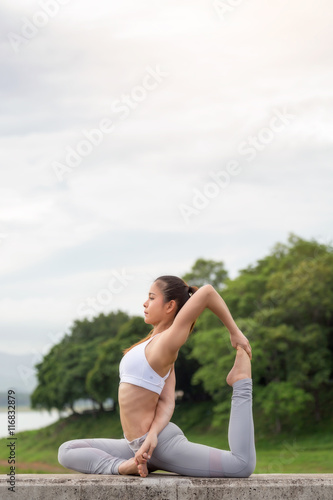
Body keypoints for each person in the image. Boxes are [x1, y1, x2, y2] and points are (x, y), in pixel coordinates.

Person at [58, 275, 256, 477]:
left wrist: (235, 332)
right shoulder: (149, 345)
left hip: (162, 445)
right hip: (138, 445)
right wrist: (150, 436)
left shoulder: (167, 343)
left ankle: (241, 381)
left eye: (152, 298)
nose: (145, 303)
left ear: (170, 306)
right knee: (67, 451)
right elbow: (166, 401)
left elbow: (207, 292)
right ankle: (124, 466)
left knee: (241, 465)